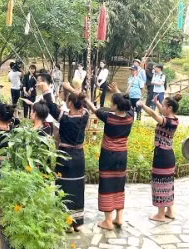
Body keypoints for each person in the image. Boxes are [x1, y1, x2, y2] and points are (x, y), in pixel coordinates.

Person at [83, 84, 133, 230]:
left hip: (108, 156)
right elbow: (127, 105)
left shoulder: (109, 118)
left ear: (116, 106)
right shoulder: (130, 116)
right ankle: (119, 217)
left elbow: (94, 109)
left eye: (112, 103)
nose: (110, 105)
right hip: (122, 155)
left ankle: (108, 221)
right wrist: (118, 91)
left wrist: (86, 99)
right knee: (119, 184)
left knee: (107, 185)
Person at [44, 87, 88, 231]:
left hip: (64, 155)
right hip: (79, 156)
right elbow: (84, 101)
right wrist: (72, 90)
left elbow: (50, 106)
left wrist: (45, 89)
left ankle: (65, 222)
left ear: (69, 104)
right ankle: (77, 222)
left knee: (64, 186)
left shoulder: (65, 118)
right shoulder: (84, 116)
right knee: (77, 187)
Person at [138, 94, 180, 223]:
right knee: (168, 184)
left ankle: (160, 215)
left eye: (163, 105)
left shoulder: (167, 121)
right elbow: (162, 112)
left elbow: (153, 115)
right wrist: (156, 103)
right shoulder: (175, 120)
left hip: (162, 156)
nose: (161, 107)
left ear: (170, 108)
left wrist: (142, 104)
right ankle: (170, 211)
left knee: (159, 184)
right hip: (168, 156)